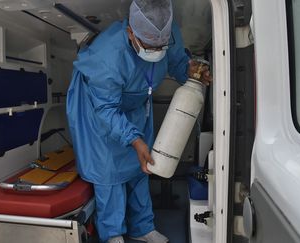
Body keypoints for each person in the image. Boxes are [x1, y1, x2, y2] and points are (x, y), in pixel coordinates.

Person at [66, 0, 212, 242]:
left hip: (134, 102)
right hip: (98, 109)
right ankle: (112, 234)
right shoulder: (108, 56)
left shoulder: (169, 34)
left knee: (140, 166)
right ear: (131, 33)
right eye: (148, 46)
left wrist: (191, 70)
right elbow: (106, 109)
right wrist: (134, 139)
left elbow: (175, 62)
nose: (156, 51)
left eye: (160, 46)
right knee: (109, 171)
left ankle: (143, 227)